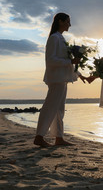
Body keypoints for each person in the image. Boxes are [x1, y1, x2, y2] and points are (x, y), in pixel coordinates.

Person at [34, 13, 86, 147]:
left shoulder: (61, 38)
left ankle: (59, 137)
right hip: (56, 78)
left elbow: (67, 62)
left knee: (59, 109)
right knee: (50, 107)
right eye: (68, 21)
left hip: (62, 78)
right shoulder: (54, 38)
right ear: (60, 21)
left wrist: (80, 74)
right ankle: (39, 136)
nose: (70, 24)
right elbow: (50, 61)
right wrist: (71, 60)